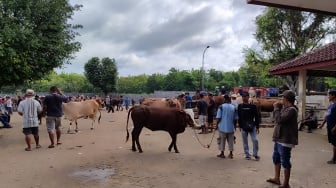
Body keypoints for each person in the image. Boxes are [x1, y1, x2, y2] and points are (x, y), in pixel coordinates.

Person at [267, 90, 298, 188]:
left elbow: (279, 120)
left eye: (282, 98)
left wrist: (276, 108)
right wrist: (277, 109)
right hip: (279, 139)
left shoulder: (291, 110)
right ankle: (277, 178)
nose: (281, 100)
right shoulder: (286, 109)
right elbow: (276, 119)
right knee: (276, 158)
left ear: (286, 99)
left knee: (285, 161)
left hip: (285, 140)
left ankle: (286, 184)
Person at [238, 91, 260, 160]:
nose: (244, 98)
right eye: (243, 96)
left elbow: (256, 116)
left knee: (255, 140)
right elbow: (239, 116)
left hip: (252, 126)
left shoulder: (253, 106)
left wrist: (257, 127)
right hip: (243, 126)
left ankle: (255, 154)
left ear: (248, 97)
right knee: (245, 141)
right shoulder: (240, 106)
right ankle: (247, 154)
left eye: (245, 96)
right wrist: (240, 125)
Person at [215, 94, 237, 159]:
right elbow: (235, 119)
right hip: (231, 127)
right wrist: (235, 126)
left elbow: (218, 118)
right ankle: (231, 154)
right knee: (231, 141)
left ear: (224, 99)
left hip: (222, 127)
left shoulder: (221, 107)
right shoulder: (233, 107)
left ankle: (222, 153)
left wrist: (216, 125)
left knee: (221, 140)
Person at [323, 90, 336, 164]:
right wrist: (322, 124)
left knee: (335, 144)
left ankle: (334, 159)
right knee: (333, 143)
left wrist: (335, 127)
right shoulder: (331, 105)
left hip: (334, 127)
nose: (328, 97)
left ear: (333, 96)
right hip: (330, 127)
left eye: (329, 95)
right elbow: (327, 115)